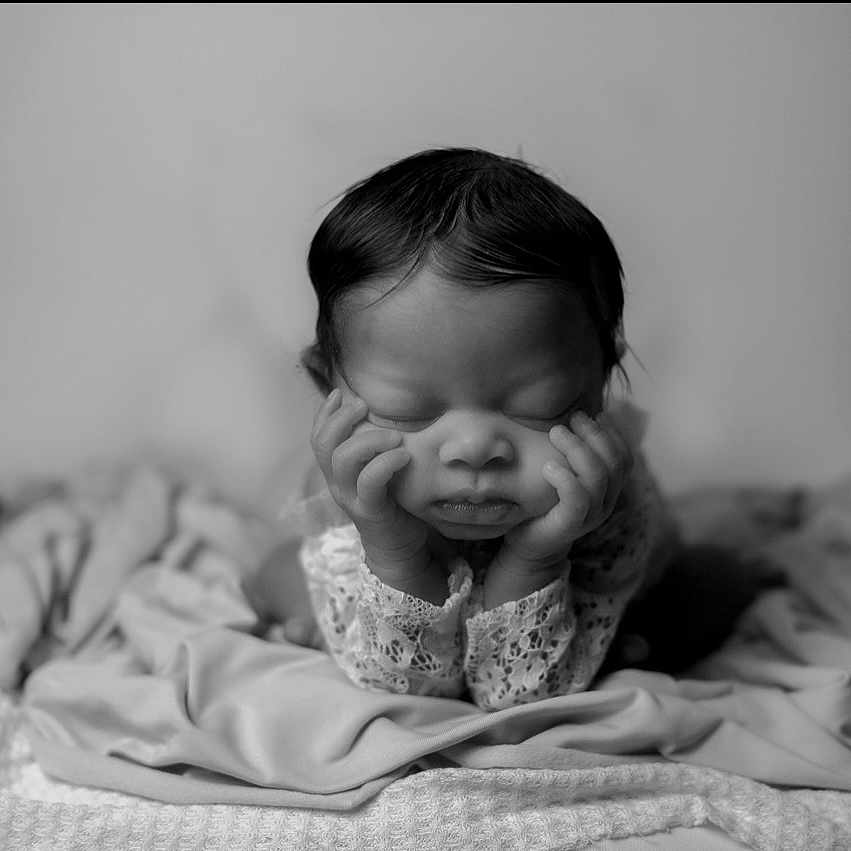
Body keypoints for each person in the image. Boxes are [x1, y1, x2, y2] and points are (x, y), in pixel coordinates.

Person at [283, 147, 680, 711]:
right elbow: (411, 694)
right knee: (273, 586)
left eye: (540, 407)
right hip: (372, 535)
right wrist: (392, 548)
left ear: (600, 383)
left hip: (602, 562)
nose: (474, 450)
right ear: (330, 386)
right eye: (408, 410)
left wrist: (537, 557)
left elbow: (521, 700)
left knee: (689, 608)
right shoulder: (350, 504)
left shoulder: (608, 504)